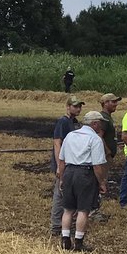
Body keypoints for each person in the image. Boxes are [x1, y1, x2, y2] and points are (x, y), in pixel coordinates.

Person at [57, 109, 108, 252]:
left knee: (68, 209)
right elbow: (97, 165)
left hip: (69, 172)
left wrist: (62, 178)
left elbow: (62, 159)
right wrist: (101, 182)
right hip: (84, 174)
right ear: (95, 124)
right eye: (100, 124)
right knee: (83, 210)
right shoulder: (95, 139)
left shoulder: (70, 136)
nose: (101, 127)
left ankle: (65, 240)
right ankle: (78, 242)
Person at [50, 95, 83, 238]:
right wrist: (59, 165)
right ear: (68, 107)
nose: (78, 109)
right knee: (60, 192)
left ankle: (67, 220)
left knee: (68, 192)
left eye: (79, 106)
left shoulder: (75, 122)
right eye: (75, 106)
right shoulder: (63, 122)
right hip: (63, 163)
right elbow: (57, 143)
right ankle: (56, 225)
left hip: (71, 162)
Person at [89, 93, 120, 222]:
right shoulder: (104, 119)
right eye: (113, 102)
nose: (115, 104)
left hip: (106, 155)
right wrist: (107, 151)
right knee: (99, 181)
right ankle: (93, 210)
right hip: (103, 157)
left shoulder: (108, 118)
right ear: (105, 103)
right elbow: (99, 136)